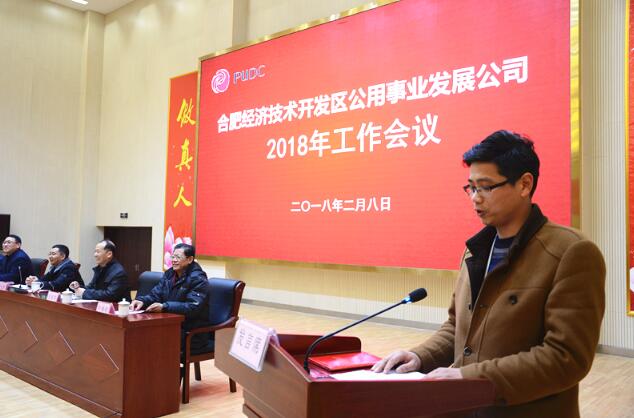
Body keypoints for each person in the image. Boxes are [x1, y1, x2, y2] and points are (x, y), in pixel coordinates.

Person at [372, 130, 606, 418]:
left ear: (524, 184)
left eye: (485, 187)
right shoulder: (476, 250)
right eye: (470, 188)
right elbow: (457, 328)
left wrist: (471, 378)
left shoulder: (571, 252)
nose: (475, 198)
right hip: (466, 408)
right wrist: (420, 356)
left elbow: (565, 357)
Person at [130, 243, 209, 351]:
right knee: (138, 334)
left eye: (178, 257)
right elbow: (156, 294)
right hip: (170, 324)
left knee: (148, 339)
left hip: (190, 332)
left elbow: (192, 307)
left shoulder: (198, 279)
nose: (174, 260)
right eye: (173, 256)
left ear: (190, 259)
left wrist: (165, 306)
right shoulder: (170, 274)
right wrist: (142, 301)